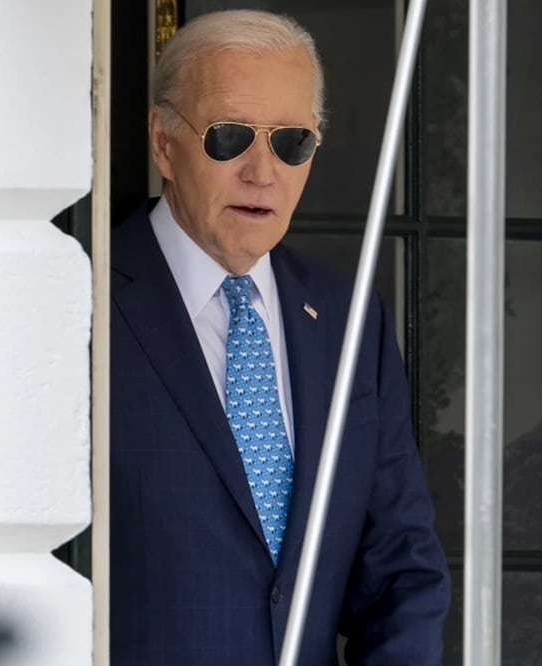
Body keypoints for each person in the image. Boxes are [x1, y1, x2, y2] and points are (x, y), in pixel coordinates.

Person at [109, 10, 450, 665]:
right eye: (230, 136)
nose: (262, 171)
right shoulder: (87, 302)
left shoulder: (351, 322)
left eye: (291, 141)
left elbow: (401, 569)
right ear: (162, 142)